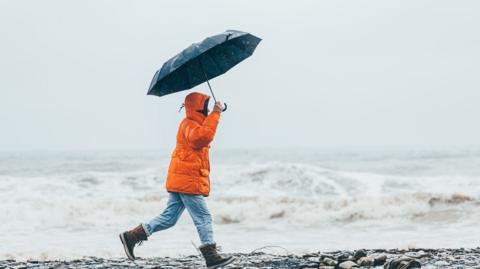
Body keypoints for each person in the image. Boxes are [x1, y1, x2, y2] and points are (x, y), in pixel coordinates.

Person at [119, 92, 234, 269]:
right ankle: (211, 256)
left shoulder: (194, 123)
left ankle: (132, 236)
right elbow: (201, 138)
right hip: (187, 180)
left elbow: (203, 134)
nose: (207, 108)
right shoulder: (189, 124)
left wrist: (214, 114)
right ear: (198, 107)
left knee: (169, 218)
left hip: (181, 179)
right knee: (203, 216)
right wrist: (216, 113)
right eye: (205, 106)